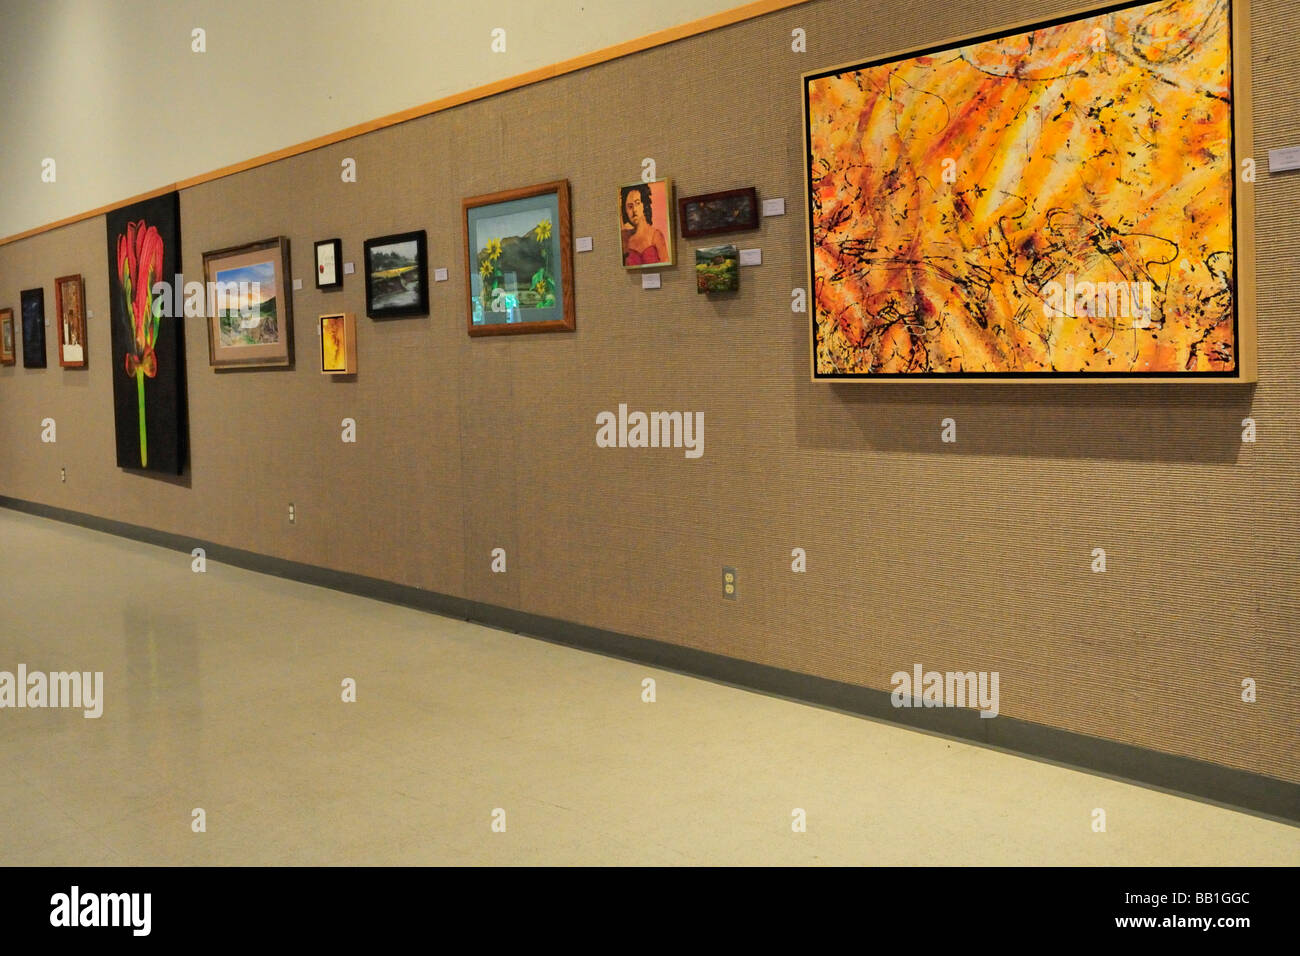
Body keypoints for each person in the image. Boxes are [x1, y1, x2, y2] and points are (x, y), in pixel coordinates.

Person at [620, 183, 669, 267]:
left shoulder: (656, 235)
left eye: (637, 203)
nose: (634, 210)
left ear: (644, 205)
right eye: (630, 206)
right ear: (625, 210)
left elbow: (666, 263)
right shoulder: (624, 237)